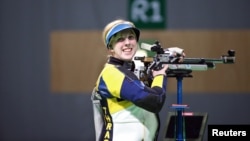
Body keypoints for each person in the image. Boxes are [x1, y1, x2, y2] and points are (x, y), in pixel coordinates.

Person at [91, 19, 185, 141]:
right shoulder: (111, 73)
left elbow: (140, 79)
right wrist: (159, 75)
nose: (127, 43)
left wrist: (166, 54)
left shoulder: (130, 70)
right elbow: (154, 101)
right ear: (110, 47)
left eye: (131, 37)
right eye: (120, 39)